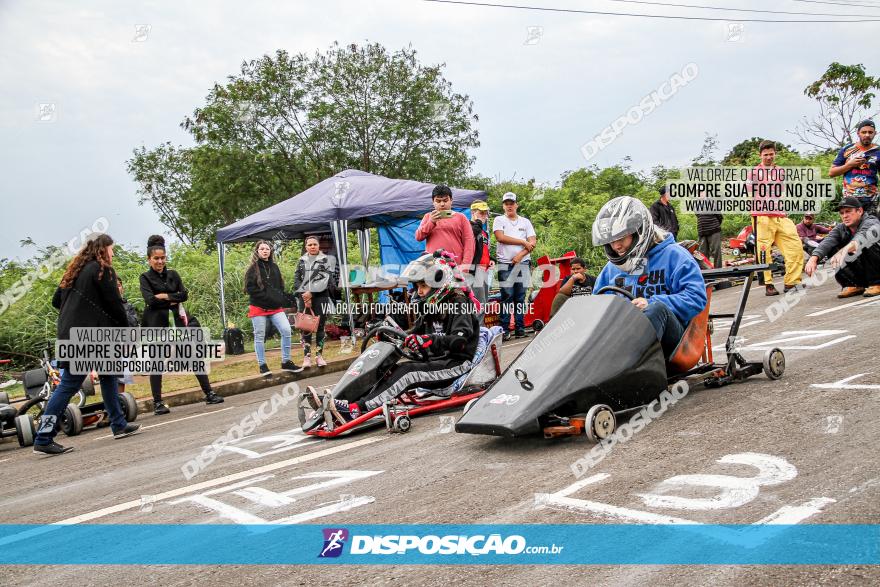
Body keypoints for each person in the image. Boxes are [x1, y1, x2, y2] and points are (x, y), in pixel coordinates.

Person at [302, 250, 480, 429]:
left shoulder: (459, 303)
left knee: (408, 372)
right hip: (435, 361)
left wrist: (428, 340)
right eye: (417, 287)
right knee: (385, 369)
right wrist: (393, 334)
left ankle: (356, 409)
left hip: (456, 364)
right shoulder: (431, 308)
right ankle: (338, 400)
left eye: (422, 287)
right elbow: (413, 332)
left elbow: (460, 341)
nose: (419, 292)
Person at [36, 234, 140, 455]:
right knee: (69, 385)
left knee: (108, 375)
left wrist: (79, 310)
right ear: (103, 250)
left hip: (70, 333)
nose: (113, 254)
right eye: (112, 249)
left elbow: (57, 301)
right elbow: (115, 305)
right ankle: (44, 437)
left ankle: (119, 424)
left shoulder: (73, 272)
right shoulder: (104, 271)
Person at [592, 196, 707, 358]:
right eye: (611, 241)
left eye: (621, 238)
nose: (616, 246)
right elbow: (597, 307)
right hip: (623, 337)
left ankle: (624, 369)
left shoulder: (674, 256)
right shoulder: (610, 270)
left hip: (674, 341)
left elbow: (696, 298)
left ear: (639, 231)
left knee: (655, 309)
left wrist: (651, 302)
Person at [140, 235, 224, 414]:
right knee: (157, 362)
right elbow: (150, 300)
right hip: (157, 325)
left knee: (193, 356)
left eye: (163, 258)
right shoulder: (145, 277)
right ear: (149, 259)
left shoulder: (173, 274)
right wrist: (170, 298)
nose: (160, 261)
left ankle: (209, 393)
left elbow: (184, 295)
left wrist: (165, 296)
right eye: (156, 258)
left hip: (177, 322)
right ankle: (157, 402)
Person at [750, 140, 804, 296]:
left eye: (771, 154)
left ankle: (791, 282)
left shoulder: (780, 171)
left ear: (775, 154)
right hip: (762, 216)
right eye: (765, 155)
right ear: (760, 155)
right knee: (763, 250)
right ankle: (768, 284)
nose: (768, 157)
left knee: (795, 246)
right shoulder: (754, 172)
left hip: (780, 215)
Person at [804, 196, 880, 298]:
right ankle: (853, 284)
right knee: (832, 248)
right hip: (864, 269)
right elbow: (828, 241)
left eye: (848, 211)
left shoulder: (871, 221)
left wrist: (843, 251)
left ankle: (877, 283)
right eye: (842, 213)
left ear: (860, 211)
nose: (845, 216)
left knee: (867, 242)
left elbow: (860, 239)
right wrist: (813, 258)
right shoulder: (841, 228)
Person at [245, 240, 301, 376]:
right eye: (262, 249)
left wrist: (282, 299)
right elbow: (250, 289)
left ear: (270, 251)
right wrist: (268, 298)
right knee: (259, 336)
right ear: (257, 252)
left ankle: (286, 362)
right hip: (259, 308)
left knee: (286, 330)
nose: (265, 251)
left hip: (275, 308)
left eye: (267, 249)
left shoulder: (274, 267)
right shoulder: (252, 269)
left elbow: (280, 287)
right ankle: (262, 365)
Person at [493, 192, 537, 340]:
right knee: (507, 297)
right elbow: (501, 237)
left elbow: (532, 242)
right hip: (505, 264)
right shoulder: (499, 220)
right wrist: (523, 242)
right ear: (503, 206)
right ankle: (504, 330)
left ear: (516, 205)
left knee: (520, 297)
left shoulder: (525, 222)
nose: (509, 205)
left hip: (523, 263)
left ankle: (520, 328)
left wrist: (520, 255)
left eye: (512, 203)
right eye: (506, 203)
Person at [293, 235, 340, 368]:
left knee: (320, 327)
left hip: (321, 297)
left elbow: (325, 280)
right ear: (306, 247)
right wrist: (304, 294)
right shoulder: (301, 260)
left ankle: (319, 356)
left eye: (315, 244)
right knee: (305, 328)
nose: (312, 247)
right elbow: (296, 279)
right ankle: (306, 357)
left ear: (318, 246)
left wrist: (310, 293)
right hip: (304, 298)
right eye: (310, 245)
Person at [415, 185, 475, 269]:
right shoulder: (428, 217)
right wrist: (431, 222)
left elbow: (469, 244)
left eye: (445, 200)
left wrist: (465, 267)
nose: (442, 204)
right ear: (433, 202)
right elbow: (418, 237)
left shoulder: (461, 217)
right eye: (438, 201)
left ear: (451, 200)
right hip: (432, 267)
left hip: (455, 267)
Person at [829, 120, 879, 216]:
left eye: (870, 132)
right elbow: (832, 172)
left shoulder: (878, 151)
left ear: (875, 133)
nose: (867, 135)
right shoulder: (847, 149)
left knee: (872, 228)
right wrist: (849, 165)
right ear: (858, 133)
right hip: (850, 199)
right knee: (852, 229)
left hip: (871, 199)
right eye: (864, 132)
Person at [469, 200, 493, 308]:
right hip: (476, 270)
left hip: (485, 270)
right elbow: (471, 236)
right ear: (473, 213)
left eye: (485, 213)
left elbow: (482, 250)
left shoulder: (483, 232)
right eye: (481, 213)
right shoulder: (469, 227)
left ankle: (479, 325)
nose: (484, 216)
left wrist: (491, 260)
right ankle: (478, 325)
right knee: (479, 304)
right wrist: (478, 221)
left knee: (483, 302)